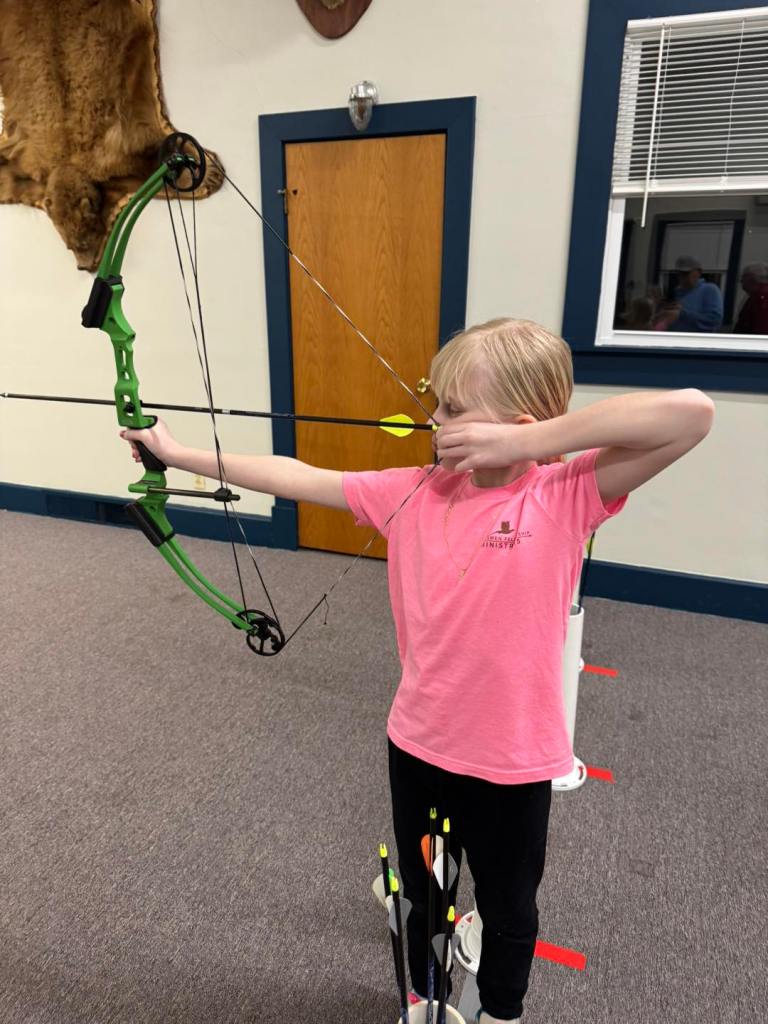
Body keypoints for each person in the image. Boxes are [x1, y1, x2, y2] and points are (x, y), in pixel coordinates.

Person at [121, 318, 715, 1024]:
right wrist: (178, 452)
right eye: (438, 404)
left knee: (508, 903)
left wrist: (528, 444)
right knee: (426, 888)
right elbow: (303, 477)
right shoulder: (411, 490)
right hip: (422, 746)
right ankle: (429, 999)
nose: (434, 420)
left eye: (454, 410)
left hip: (514, 763)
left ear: (519, 424)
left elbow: (691, 415)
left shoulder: (565, 493)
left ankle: (501, 1012)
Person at [654, 255, 723, 333]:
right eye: (679, 273)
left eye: (686, 273)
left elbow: (714, 321)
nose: (681, 277)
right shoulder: (675, 292)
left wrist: (681, 314)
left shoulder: (710, 290)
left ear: (699, 272)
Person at [734, 262, 768, 335]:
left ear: (751, 278)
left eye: (743, 277)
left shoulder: (761, 298)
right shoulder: (755, 296)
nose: (741, 281)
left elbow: (761, 327)